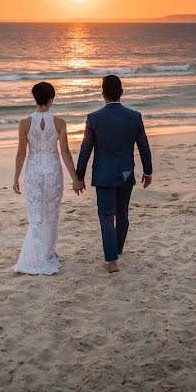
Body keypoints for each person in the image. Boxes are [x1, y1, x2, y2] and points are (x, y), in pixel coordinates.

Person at [75, 75, 153, 273]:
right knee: (122, 213)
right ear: (122, 92)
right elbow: (143, 145)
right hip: (126, 173)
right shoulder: (134, 116)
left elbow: (86, 149)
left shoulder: (94, 118)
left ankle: (112, 261)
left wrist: (79, 176)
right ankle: (117, 249)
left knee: (106, 216)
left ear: (103, 94)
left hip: (103, 174)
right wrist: (148, 171)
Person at [12, 81, 84, 275]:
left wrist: (15, 178)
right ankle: (48, 254)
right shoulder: (59, 122)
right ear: (51, 99)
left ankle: (37, 257)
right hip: (52, 171)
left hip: (34, 171)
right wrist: (75, 178)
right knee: (51, 214)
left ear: (35, 98)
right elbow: (65, 152)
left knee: (35, 215)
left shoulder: (24, 123)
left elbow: (21, 154)